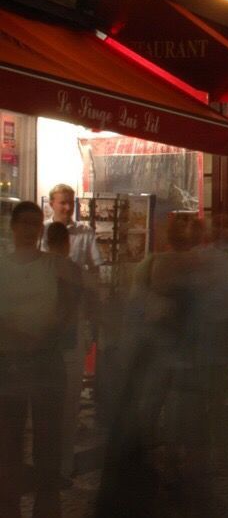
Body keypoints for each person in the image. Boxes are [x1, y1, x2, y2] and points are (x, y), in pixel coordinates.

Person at [0, 201, 71, 518]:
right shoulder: (3, 266)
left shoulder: (54, 266)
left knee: (48, 441)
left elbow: (68, 309)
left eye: (36, 223)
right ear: (13, 227)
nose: (31, 229)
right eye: (25, 223)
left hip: (45, 361)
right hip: (9, 363)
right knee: (8, 442)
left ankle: (46, 505)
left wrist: (49, 331)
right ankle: (9, 505)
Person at [43, 223, 90, 486]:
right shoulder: (73, 270)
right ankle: (63, 467)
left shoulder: (39, 267)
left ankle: (46, 466)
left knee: (45, 411)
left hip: (43, 348)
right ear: (66, 243)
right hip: (69, 348)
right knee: (67, 411)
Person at [44, 185, 100, 274]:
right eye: (63, 203)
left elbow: (95, 267)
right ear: (51, 204)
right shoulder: (42, 230)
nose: (68, 208)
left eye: (71, 203)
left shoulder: (86, 232)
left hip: (75, 285)